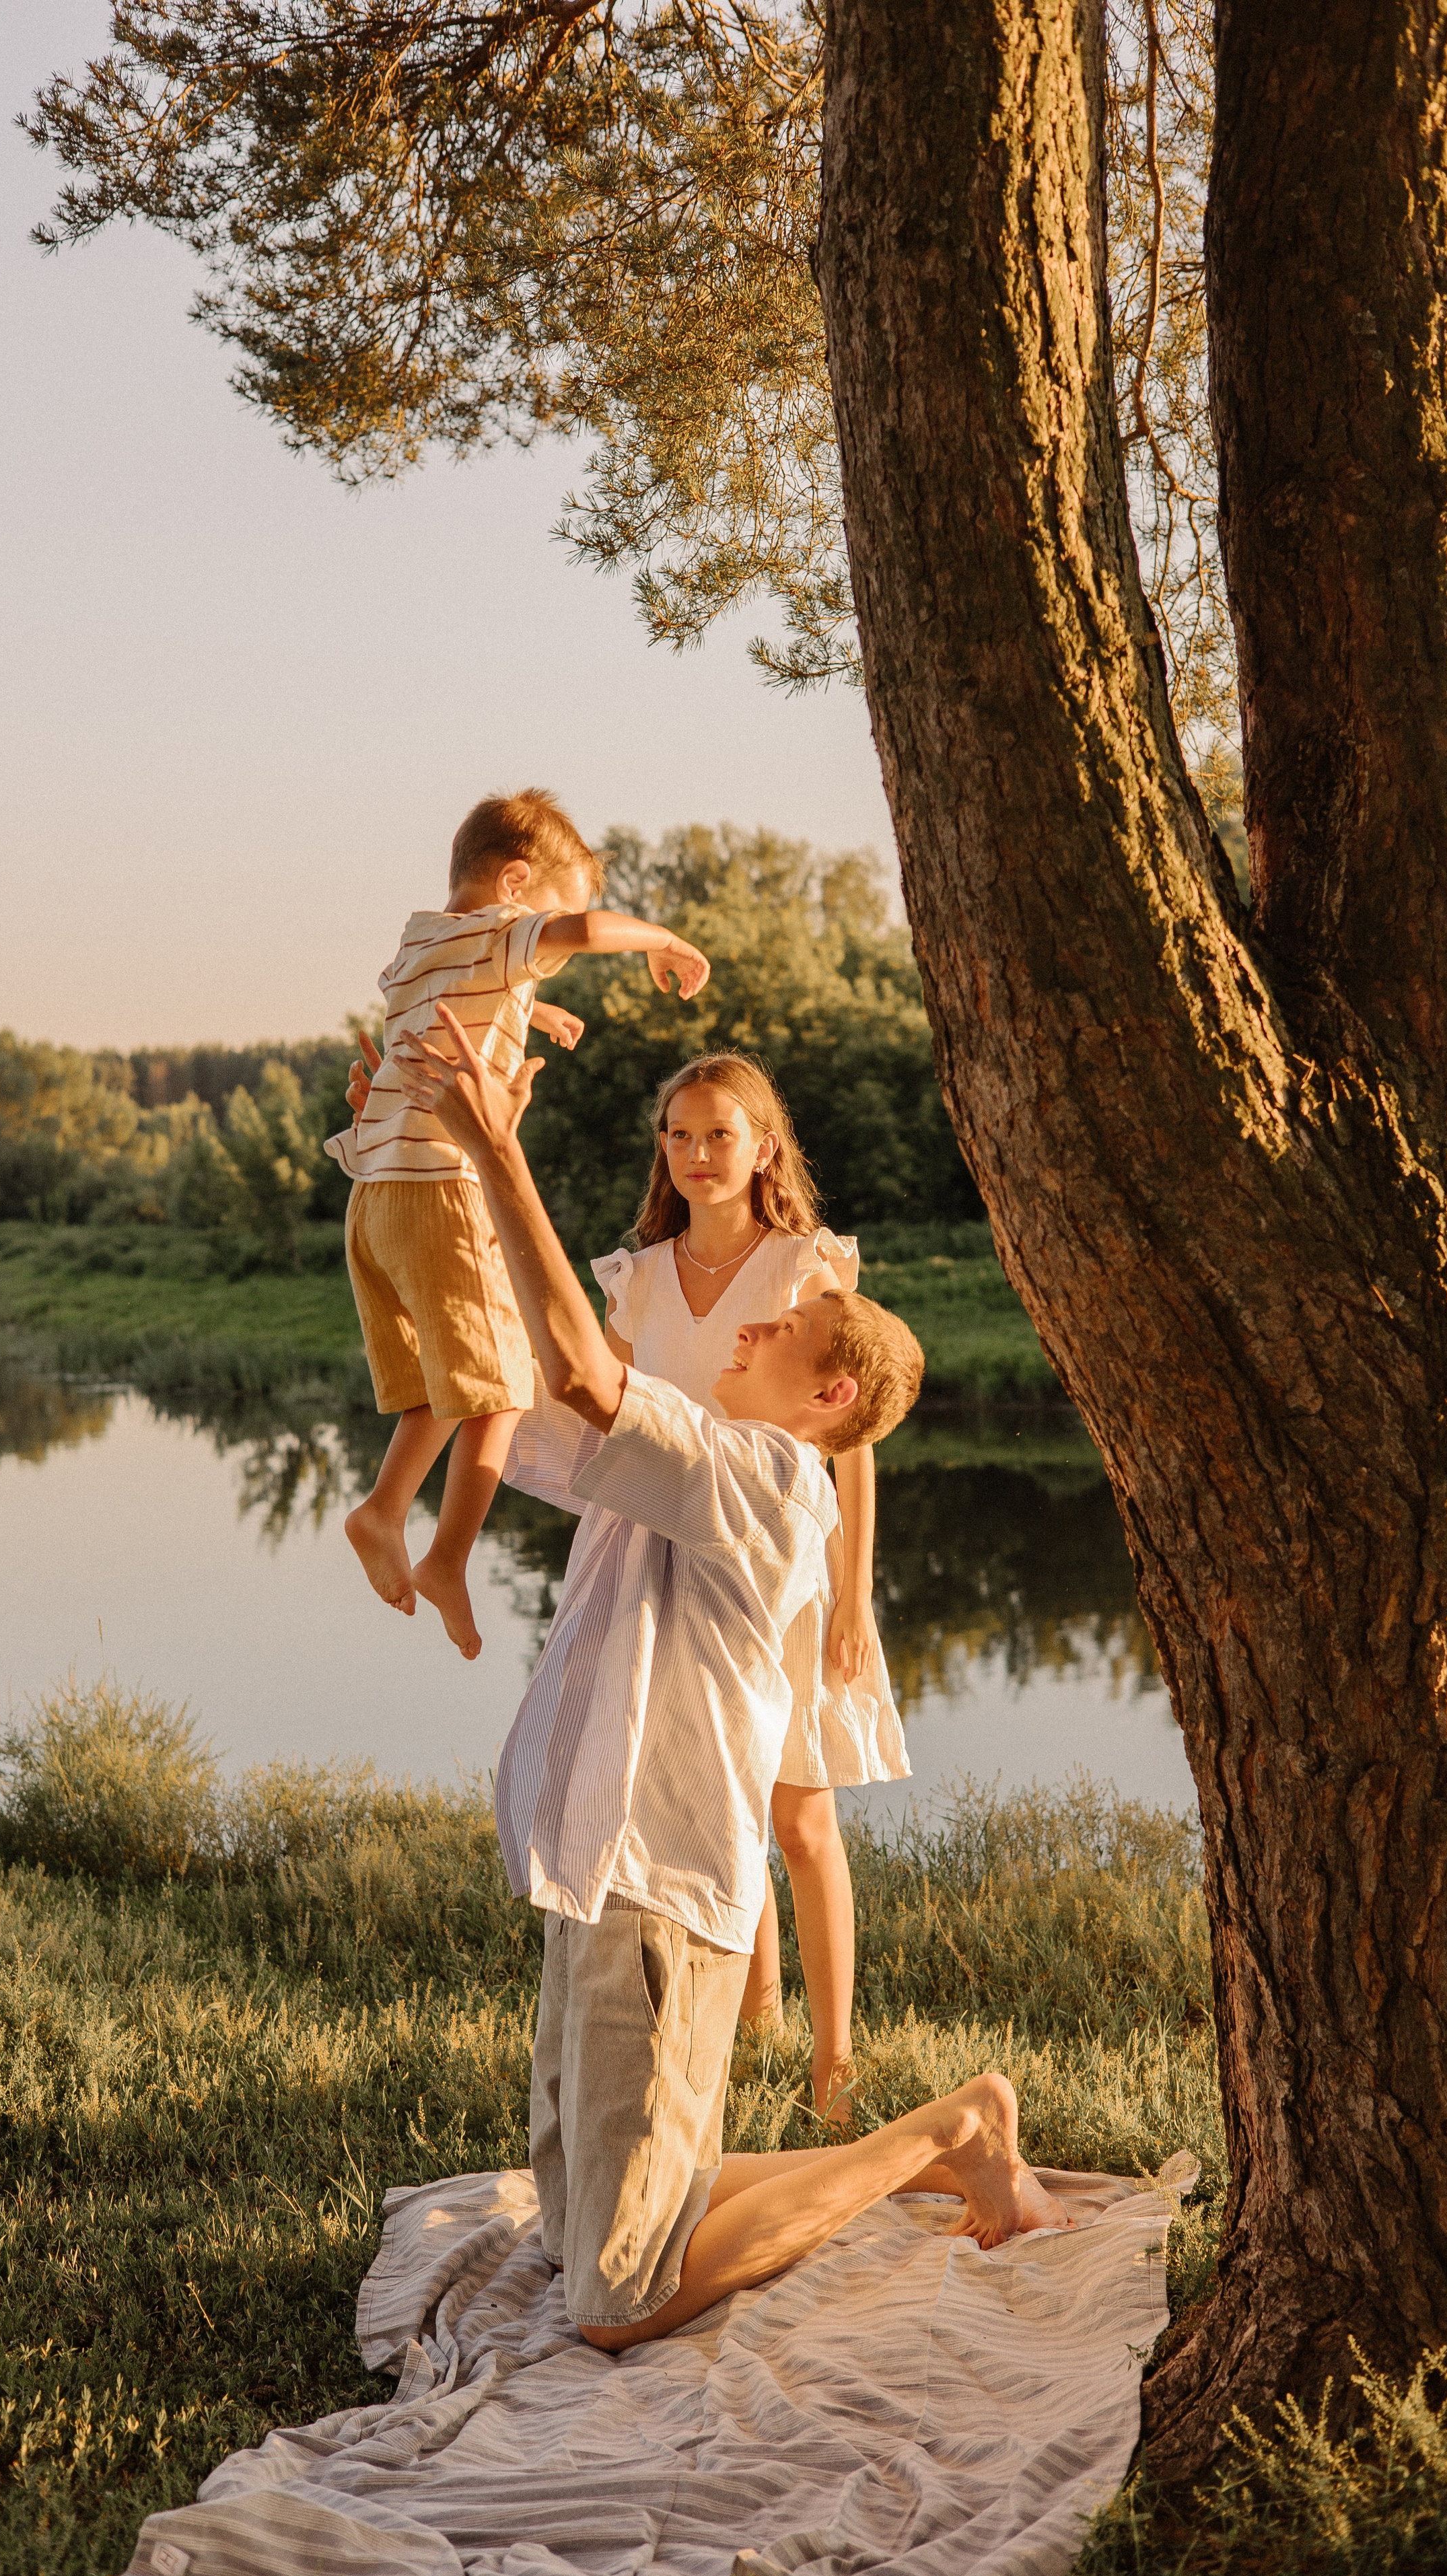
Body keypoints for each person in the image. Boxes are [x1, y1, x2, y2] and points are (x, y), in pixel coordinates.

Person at [396, 1001, 1068, 2352]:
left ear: (829, 1398)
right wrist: (446, 1168)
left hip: (658, 1888)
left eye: (782, 1334)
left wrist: (503, 1151)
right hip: (596, 1868)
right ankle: (939, 2146)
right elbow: (514, 1374)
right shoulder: (695, 1457)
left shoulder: (762, 1476)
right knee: (575, 2229)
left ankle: (942, 2132)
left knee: (616, 2304)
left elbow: (584, 1368)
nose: (750, 1332)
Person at [505, 1050, 905, 2129]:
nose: (694, 1153)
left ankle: (835, 2054)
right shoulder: (640, 1276)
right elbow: (594, 1400)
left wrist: (853, 1595)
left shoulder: (803, 1269)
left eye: (718, 1133)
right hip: (666, 1551)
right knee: (712, 1781)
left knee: (800, 1813)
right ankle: (754, 2012)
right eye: (677, 1134)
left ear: (764, 1147)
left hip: (771, 1553)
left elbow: (850, 1436)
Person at [325, 788, 709, 1660]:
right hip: (442, 1189)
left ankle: (386, 1510)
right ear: (513, 884)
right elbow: (584, 931)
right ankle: (439, 1551)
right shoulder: (504, 931)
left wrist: (532, 1008)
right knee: (502, 1383)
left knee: (442, 1384)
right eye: (546, 927)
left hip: (375, 1195)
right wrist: (663, 940)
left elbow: (455, 996)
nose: (551, 953)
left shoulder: (420, 944)